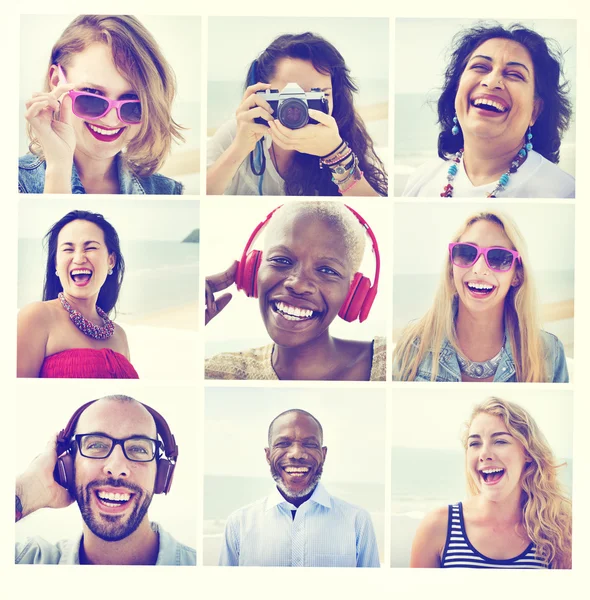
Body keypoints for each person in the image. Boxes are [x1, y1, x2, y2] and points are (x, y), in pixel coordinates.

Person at [205, 201, 385, 381]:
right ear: (252, 270)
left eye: (327, 270)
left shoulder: (390, 364)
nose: (298, 284)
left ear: (353, 291)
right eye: (282, 260)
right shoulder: (218, 372)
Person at [15, 395, 196, 565]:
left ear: (161, 474)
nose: (116, 468)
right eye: (97, 445)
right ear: (68, 467)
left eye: (138, 449)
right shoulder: (25, 560)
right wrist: (26, 493)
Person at [392, 210, 568, 382]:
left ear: (517, 275)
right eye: (466, 253)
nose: (479, 269)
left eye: (498, 257)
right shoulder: (412, 343)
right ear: (451, 269)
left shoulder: (549, 352)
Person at [403, 23, 574, 198]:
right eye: (480, 67)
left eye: (514, 74)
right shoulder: (421, 181)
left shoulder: (565, 193)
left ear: (535, 111)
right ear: (457, 90)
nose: (491, 82)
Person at [19, 15, 184, 195]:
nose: (111, 120)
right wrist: (58, 168)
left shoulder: (167, 191)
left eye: (133, 103)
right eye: (92, 96)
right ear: (57, 80)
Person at [207, 32, 387, 196]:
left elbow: (375, 207)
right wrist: (240, 148)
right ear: (262, 94)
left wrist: (335, 154)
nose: (298, 108)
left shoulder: (348, 138)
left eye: (318, 95)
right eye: (291, 96)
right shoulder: (239, 132)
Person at [410, 397, 572, 569]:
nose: (484, 453)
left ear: (528, 453)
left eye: (500, 441)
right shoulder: (437, 527)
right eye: (475, 443)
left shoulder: (560, 531)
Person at [219, 409, 380, 567]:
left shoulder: (357, 522)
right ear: (268, 455)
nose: (296, 454)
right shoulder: (238, 524)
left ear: (323, 455)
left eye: (310, 444)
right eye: (283, 444)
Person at [17, 210, 138, 379]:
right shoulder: (36, 316)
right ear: (56, 264)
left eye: (90, 248)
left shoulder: (119, 335)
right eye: (68, 249)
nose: (79, 258)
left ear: (111, 260)